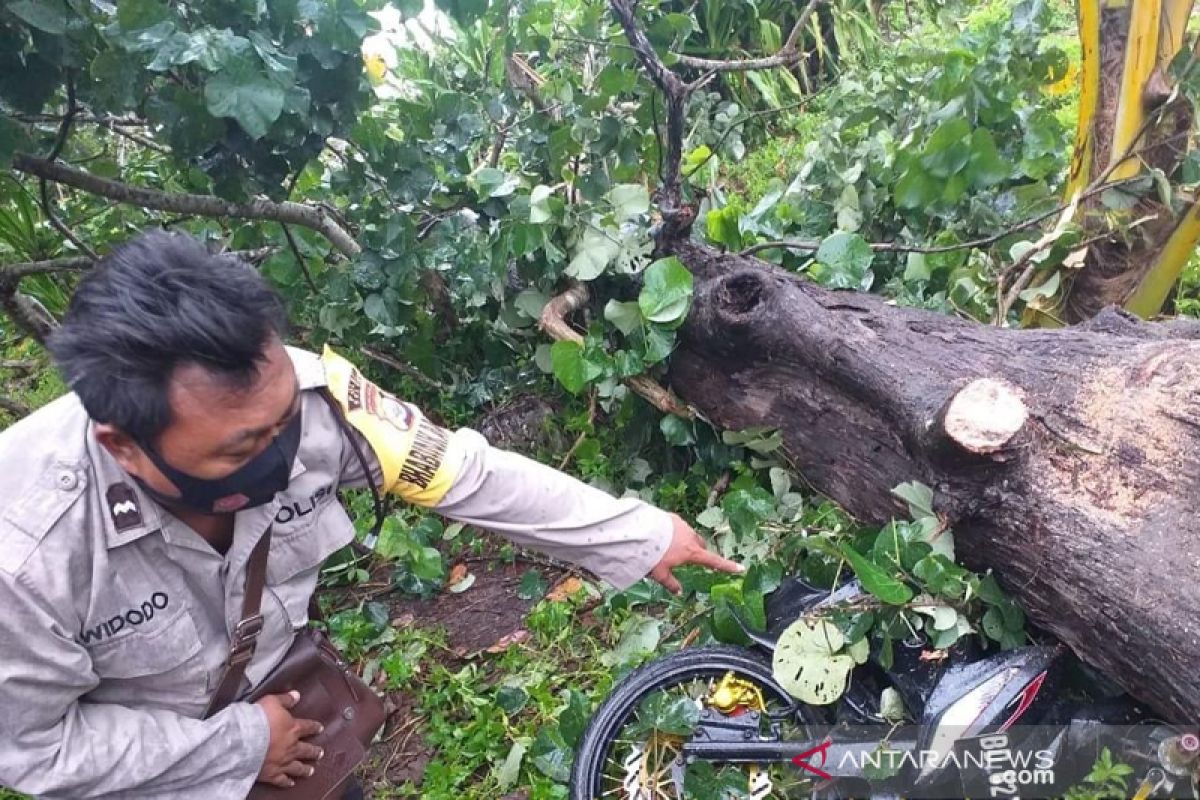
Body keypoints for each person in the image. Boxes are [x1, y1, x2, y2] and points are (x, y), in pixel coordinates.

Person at [0, 231, 742, 799]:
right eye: (242, 449)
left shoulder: (316, 403)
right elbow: (35, 748)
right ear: (124, 446)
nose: (282, 453)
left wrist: (641, 536)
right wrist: (242, 743)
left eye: (283, 419)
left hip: (298, 733)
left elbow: (466, 475)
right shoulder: (25, 553)